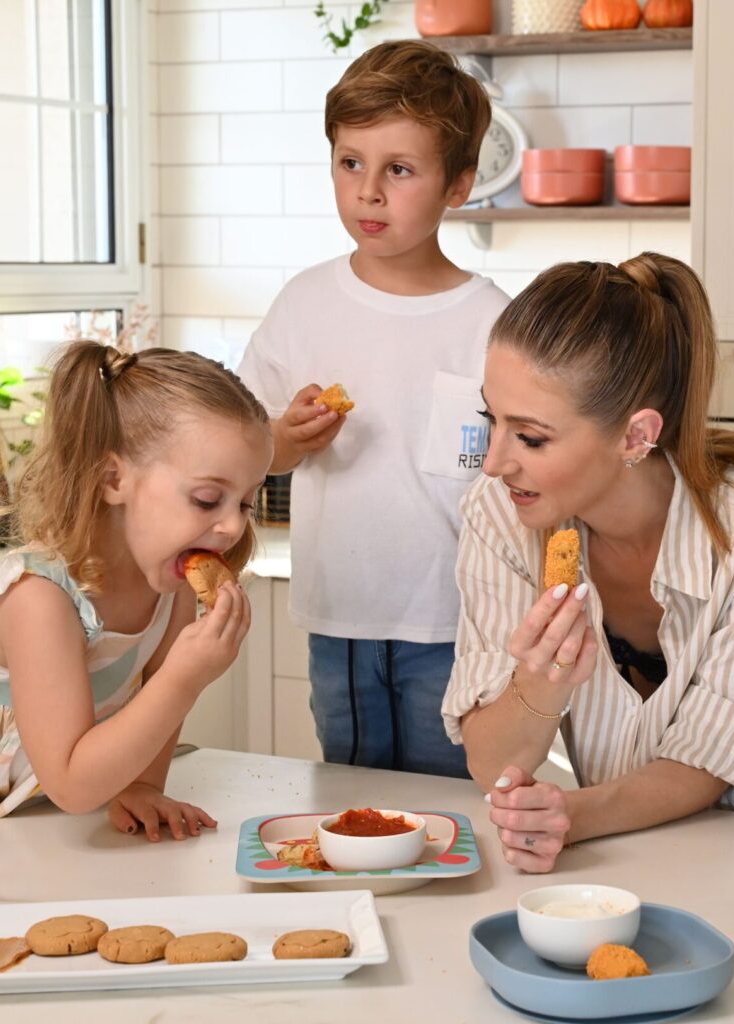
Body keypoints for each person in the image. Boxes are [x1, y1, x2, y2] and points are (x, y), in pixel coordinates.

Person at [0, 343, 273, 855]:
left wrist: (142, 785)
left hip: (51, 829)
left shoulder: (167, 586)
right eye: (207, 499)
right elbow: (73, 783)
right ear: (113, 480)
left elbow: (151, 706)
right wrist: (187, 675)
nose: (234, 525)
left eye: (246, 502)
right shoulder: (40, 599)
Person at [441, 252, 734, 872]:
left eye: (530, 437)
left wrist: (572, 816)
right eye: (491, 419)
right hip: (614, 867)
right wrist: (540, 680)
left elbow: (712, 756)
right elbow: (491, 764)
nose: (494, 462)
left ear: (635, 436)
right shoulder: (499, 512)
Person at [238, 40, 509, 778]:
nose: (368, 192)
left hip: (459, 621)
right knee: (351, 799)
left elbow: (520, 467)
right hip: (342, 616)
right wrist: (285, 437)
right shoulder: (304, 303)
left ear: (458, 185)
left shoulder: (492, 322)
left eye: (400, 169)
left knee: (454, 804)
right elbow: (247, 449)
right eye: (350, 162)